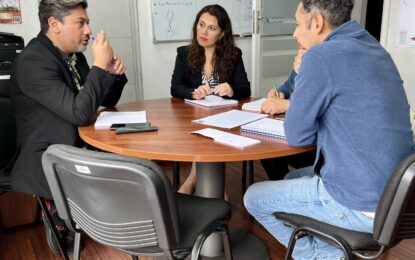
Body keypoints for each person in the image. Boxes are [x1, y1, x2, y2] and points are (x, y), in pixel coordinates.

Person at [244, 0, 415, 259]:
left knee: (253, 198)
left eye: (298, 23)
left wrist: (300, 79)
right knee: (291, 179)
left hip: (362, 204)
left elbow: (297, 135)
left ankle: (312, 256)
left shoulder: (319, 56)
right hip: (400, 200)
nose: (294, 33)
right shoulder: (375, 48)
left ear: (317, 23)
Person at [6, 0, 127, 255]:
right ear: (54, 24)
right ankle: (62, 212)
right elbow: (80, 112)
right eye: (80, 23)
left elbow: (106, 101)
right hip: (48, 151)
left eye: (87, 22)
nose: (88, 30)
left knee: (127, 155)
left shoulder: (74, 56)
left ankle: (104, 215)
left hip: (77, 139)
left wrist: (111, 73)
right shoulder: (32, 62)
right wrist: (97, 67)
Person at [170, 4, 251, 195]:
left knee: (213, 131)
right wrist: (192, 92)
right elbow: (175, 87)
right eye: (201, 24)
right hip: (194, 116)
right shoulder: (184, 53)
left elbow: (245, 88)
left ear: (222, 34)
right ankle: (215, 186)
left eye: (212, 28)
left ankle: (193, 179)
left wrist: (231, 89)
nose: (203, 32)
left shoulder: (234, 55)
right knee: (203, 132)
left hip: (224, 118)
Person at [260, 47, 316, 180]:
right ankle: (282, 185)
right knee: (268, 151)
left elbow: (311, 104)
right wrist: (279, 93)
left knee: (272, 152)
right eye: (300, 49)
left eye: (304, 49)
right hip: (294, 133)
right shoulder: (299, 67)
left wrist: (303, 74)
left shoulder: (318, 69)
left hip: (313, 145)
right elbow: (286, 86)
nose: (298, 55)